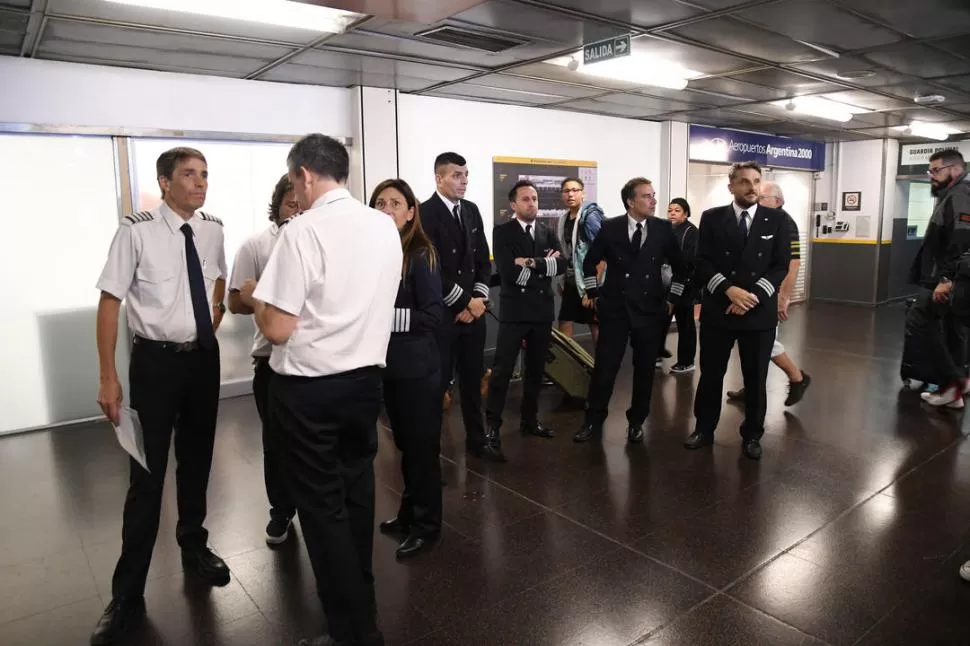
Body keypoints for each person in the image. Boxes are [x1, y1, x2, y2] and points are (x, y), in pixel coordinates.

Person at [239, 134, 401, 646]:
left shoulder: (302, 232)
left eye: (295, 183)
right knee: (356, 497)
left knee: (321, 511)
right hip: (365, 385)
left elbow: (278, 328)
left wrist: (256, 299)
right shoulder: (384, 226)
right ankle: (364, 614)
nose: (296, 192)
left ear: (305, 175)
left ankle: (350, 632)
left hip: (309, 391)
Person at [91, 147, 230, 645]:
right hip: (154, 363)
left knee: (196, 462)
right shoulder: (137, 229)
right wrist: (109, 375)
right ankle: (128, 593)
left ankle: (194, 547)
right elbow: (110, 303)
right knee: (147, 477)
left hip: (202, 360)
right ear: (164, 182)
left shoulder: (212, 228)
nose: (200, 183)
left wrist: (210, 319)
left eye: (205, 175)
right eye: (189, 175)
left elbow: (216, 280)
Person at [684, 161, 791, 460]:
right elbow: (702, 261)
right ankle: (704, 429)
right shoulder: (712, 218)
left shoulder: (777, 220)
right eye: (744, 181)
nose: (752, 187)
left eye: (756, 181)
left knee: (756, 378)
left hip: (758, 313)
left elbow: (780, 265)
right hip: (720, 309)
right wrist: (728, 289)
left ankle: (753, 435)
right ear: (730, 185)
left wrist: (753, 297)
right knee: (711, 376)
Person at [573, 178, 689, 444]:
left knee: (645, 370)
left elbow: (682, 269)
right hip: (615, 311)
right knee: (605, 369)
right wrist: (594, 295)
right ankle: (593, 421)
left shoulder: (662, 229)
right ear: (630, 201)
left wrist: (672, 298)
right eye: (647, 196)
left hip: (650, 312)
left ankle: (637, 421)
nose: (653, 201)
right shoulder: (610, 227)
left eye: (653, 195)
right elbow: (589, 264)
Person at [370, 178, 444, 560]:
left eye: (395, 203)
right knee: (405, 446)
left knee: (421, 450)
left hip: (418, 369)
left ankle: (428, 525)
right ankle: (408, 512)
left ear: (411, 212)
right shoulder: (373, 252)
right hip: (390, 369)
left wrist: (380, 318)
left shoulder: (421, 253)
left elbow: (432, 314)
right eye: (380, 203)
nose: (386, 210)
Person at [227, 174, 300, 545]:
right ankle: (281, 511)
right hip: (271, 359)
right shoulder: (256, 244)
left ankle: (319, 508)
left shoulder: (325, 241)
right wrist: (259, 296)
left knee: (317, 442)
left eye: (304, 205)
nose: (298, 211)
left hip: (316, 359)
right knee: (276, 441)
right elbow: (234, 302)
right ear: (278, 205)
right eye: (291, 204)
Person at [421, 152, 500, 461]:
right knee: (437, 386)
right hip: (443, 316)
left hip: (473, 315)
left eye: (466, 174)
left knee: (472, 380)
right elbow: (430, 267)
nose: (463, 180)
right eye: (456, 175)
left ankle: (477, 442)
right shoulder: (424, 213)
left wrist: (478, 301)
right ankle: (431, 453)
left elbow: (482, 260)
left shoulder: (471, 210)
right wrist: (465, 302)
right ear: (439, 178)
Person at [486, 180, 567, 454]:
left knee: (535, 370)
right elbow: (508, 273)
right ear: (513, 205)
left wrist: (532, 263)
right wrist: (545, 269)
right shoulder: (503, 232)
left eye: (534, 198)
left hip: (542, 313)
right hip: (515, 314)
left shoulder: (547, 231)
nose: (532, 203)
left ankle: (530, 421)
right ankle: (492, 427)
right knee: (502, 371)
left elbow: (562, 265)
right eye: (525, 199)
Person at [725, 181, 811, 405]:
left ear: (778, 202)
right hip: (754, 293)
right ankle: (751, 385)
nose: (757, 200)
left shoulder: (785, 223)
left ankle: (797, 378)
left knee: (767, 343)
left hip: (769, 294)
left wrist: (783, 298)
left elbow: (792, 264)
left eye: (763, 198)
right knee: (753, 344)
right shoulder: (757, 220)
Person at [907, 149, 970, 408]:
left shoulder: (961, 195)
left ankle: (950, 383)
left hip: (946, 279)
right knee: (953, 330)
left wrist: (946, 279)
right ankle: (959, 382)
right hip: (947, 277)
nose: (931, 176)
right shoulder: (951, 196)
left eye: (936, 170)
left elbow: (962, 240)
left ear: (954, 169)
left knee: (919, 321)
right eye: (930, 171)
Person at [555, 177, 605, 346]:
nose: (570, 194)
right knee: (565, 321)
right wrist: (561, 280)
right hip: (571, 280)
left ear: (583, 193)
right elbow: (566, 252)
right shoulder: (564, 219)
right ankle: (567, 367)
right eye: (566, 191)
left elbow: (602, 255)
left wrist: (593, 288)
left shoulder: (590, 217)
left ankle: (602, 368)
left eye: (575, 190)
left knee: (595, 323)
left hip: (590, 282)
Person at [658, 198, 699, 373]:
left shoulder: (692, 232)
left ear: (686, 213)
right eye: (670, 210)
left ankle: (687, 361)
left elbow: (690, 262)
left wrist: (679, 282)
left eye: (677, 210)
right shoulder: (666, 230)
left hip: (686, 284)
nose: (672, 213)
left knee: (685, 324)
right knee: (661, 319)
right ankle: (657, 352)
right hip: (665, 283)